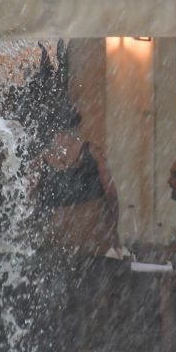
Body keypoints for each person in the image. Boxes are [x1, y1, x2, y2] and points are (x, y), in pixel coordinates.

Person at [29, 99, 120, 260]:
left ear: (52, 128)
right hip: (91, 236)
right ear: (78, 126)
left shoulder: (41, 160)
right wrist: (114, 231)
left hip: (58, 237)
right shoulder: (94, 151)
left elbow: (30, 197)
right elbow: (111, 194)